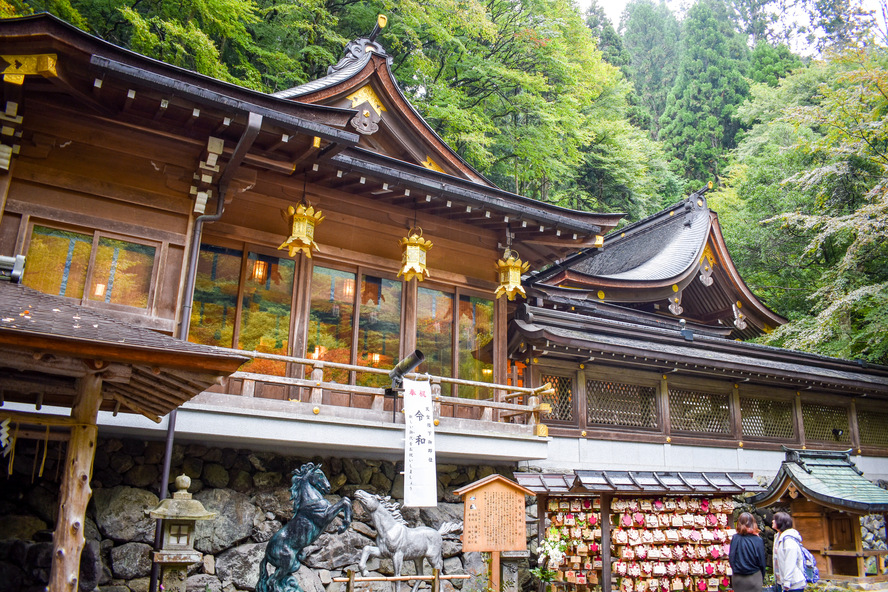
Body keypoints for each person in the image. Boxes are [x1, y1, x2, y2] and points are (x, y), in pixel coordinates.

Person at [729, 512, 767, 592]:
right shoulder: (758, 540)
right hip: (754, 577)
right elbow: (762, 562)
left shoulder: (735, 538)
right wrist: (761, 576)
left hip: (738, 578)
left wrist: (736, 570)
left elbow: (731, 558)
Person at [772, 511, 806, 592]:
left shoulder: (789, 540)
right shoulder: (777, 536)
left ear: (780, 523)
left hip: (793, 584)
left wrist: (787, 582)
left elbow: (790, 562)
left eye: (775, 520)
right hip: (781, 582)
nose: (772, 521)